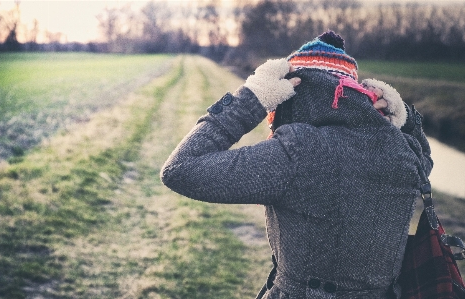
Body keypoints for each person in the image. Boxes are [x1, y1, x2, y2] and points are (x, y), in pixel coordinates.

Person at [160, 31, 432, 299]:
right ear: (356, 94)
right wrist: (407, 118)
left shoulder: (296, 152)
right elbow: (424, 161)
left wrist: (251, 99)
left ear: (292, 93)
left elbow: (180, 169)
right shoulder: (402, 150)